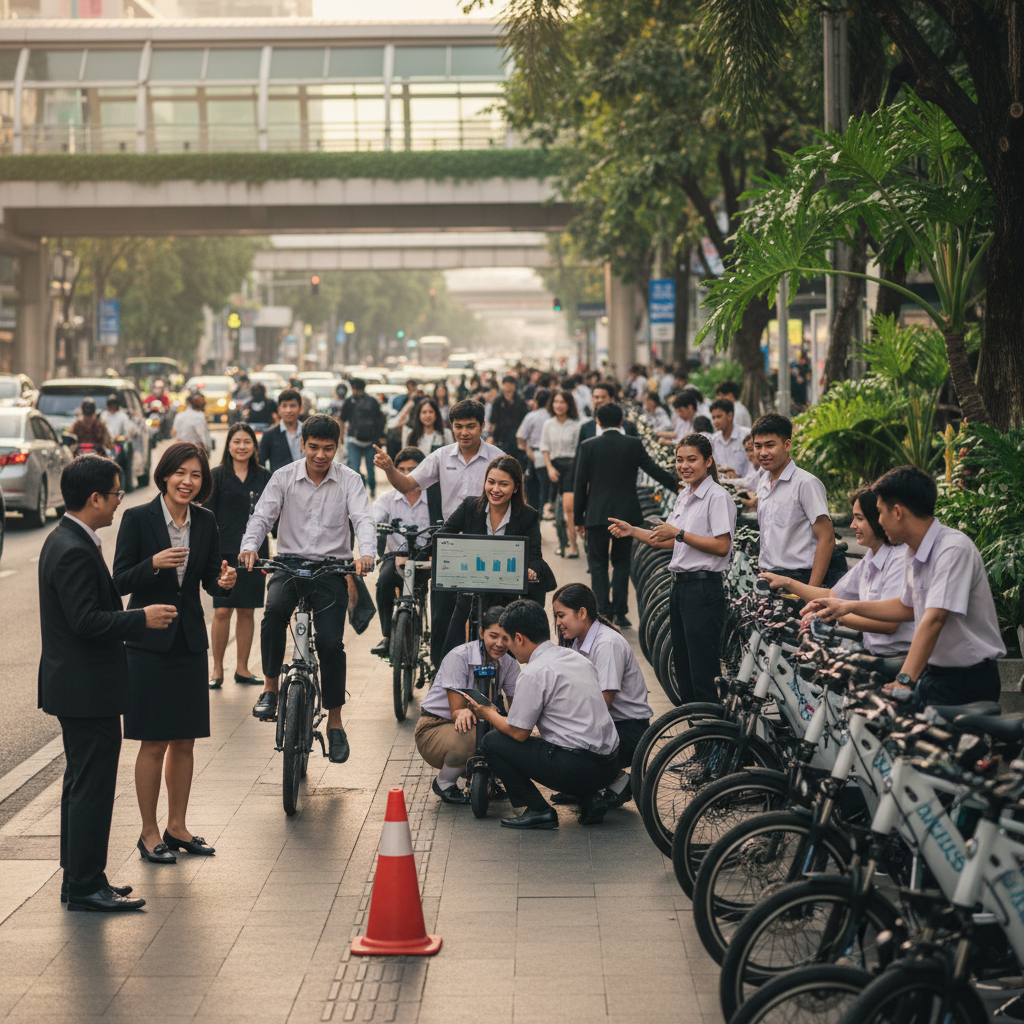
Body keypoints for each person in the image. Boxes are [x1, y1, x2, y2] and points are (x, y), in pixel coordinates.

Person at [38, 456, 174, 911]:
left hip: (79, 687)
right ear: (94, 498)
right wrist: (141, 618)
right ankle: (85, 886)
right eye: (116, 493)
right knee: (91, 787)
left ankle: (80, 879)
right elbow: (84, 621)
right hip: (84, 689)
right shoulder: (74, 548)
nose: (120, 501)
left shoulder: (69, 538)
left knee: (81, 784)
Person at [113, 442, 236, 865]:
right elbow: (120, 580)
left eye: (197, 475)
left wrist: (224, 581)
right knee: (153, 741)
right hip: (147, 644)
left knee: (185, 740)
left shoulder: (205, 521)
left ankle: (177, 826)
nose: (188, 481)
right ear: (164, 475)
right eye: (181, 473)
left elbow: (207, 579)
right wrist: (154, 563)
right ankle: (148, 832)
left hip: (188, 642)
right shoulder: (136, 518)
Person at [803, 465, 1006, 710]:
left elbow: (934, 619)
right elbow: (904, 607)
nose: (878, 521)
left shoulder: (952, 549)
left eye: (879, 512)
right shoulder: (913, 551)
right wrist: (846, 606)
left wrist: (904, 679)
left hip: (966, 679)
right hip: (933, 673)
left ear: (897, 511)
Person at [240, 415, 376, 763]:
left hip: (332, 570)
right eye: (313, 447)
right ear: (302, 445)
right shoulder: (283, 477)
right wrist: (250, 546)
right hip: (288, 564)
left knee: (331, 644)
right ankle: (270, 689)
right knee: (272, 613)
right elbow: (262, 516)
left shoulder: (350, 480)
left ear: (337, 447)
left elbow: (363, 518)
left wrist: (366, 553)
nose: (320, 454)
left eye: (328, 448)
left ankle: (335, 722)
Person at [465, 600, 621, 829]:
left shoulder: (534, 673)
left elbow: (518, 733)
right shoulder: (576, 658)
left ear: (519, 638)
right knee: (563, 743)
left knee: (492, 742)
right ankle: (588, 797)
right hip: (610, 765)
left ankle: (539, 810)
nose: (506, 647)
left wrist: (487, 713)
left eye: (507, 640)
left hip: (577, 769)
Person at [373, 399, 504, 668]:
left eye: (470, 426)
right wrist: (389, 469)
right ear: (451, 427)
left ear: (483, 426)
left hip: (490, 541)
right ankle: (440, 674)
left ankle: (493, 672)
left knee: (490, 611)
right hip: (451, 541)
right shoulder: (441, 456)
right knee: (442, 612)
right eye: (458, 427)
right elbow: (408, 483)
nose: (464, 432)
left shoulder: (498, 458)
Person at [609, 434, 736, 703]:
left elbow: (722, 546)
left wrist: (679, 533)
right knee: (685, 669)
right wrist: (632, 530)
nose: (684, 465)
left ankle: (711, 740)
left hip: (704, 587)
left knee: (703, 672)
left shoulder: (717, 497)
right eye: (679, 460)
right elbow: (664, 539)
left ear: (708, 461)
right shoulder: (684, 496)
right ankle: (697, 732)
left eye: (692, 459)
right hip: (680, 586)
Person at [761, 487, 914, 656]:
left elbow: (889, 625)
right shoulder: (872, 556)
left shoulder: (900, 559)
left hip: (899, 658)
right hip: (874, 652)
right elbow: (833, 594)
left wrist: (836, 613)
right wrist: (786, 582)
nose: (852, 525)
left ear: (879, 519)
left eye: (859, 518)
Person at [573, 403, 679, 627]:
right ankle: (620, 612)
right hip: (626, 514)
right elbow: (653, 469)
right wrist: (678, 485)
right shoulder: (633, 444)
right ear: (622, 421)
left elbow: (580, 484)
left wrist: (578, 519)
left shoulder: (588, 445)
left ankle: (602, 612)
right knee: (622, 562)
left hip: (596, 514)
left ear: (598, 422)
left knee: (598, 564)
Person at [438, 455, 552, 656]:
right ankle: (448, 668)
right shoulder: (470, 506)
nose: (495, 489)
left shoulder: (528, 515)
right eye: (491, 482)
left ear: (516, 488)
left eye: (503, 484)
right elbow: (444, 534)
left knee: (510, 627)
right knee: (456, 616)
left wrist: (531, 570)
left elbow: (535, 554)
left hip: (507, 588)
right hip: (472, 584)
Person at [551, 583, 652, 809]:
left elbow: (602, 704)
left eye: (561, 615)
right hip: (609, 725)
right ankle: (585, 784)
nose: (557, 623)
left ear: (582, 613)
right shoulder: (579, 642)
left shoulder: (607, 644)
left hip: (629, 731)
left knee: (567, 735)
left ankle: (618, 781)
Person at [416, 606, 521, 805]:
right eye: (493, 636)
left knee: (510, 736)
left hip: (477, 724)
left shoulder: (509, 664)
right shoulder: (460, 656)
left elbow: (516, 708)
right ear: (481, 633)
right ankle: (445, 782)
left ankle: (488, 778)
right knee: (476, 735)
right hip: (435, 726)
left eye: (506, 638)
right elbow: (457, 710)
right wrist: (464, 711)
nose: (499, 644)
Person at [204, 423, 273, 688]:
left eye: (247, 442)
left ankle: (242, 669)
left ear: (254, 447)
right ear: (228, 445)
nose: (242, 447)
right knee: (222, 610)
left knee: (247, 611)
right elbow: (207, 517)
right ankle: (217, 670)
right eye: (236, 442)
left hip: (255, 554)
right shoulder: (217, 476)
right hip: (223, 552)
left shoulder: (265, 477)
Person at [751, 413, 837, 587]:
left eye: (770, 445)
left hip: (800, 578)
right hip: (768, 577)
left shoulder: (806, 483)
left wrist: (811, 592)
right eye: (757, 446)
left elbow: (827, 538)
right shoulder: (763, 482)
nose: (763, 453)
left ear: (787, 444)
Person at [371, 446, 431, 658]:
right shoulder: (387, 499)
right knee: (384, 581)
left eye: (413, 469)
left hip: (428, 560)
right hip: (396, 559)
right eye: (402, 469)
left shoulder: (434, 500)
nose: (407, 475)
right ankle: (388, 637)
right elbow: (372, 520)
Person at [540, 389, 582, 559]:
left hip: (571, 467)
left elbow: (579, 450)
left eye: (562, 402)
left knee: (569, 509)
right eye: (556, 401)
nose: (559, 405)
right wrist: (549, 467)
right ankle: (562, 543)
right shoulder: (548, 424)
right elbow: (544, 448)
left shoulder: (576, 425)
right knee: (556, 511)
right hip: (553, 467)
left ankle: (573, 545)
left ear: (569, 404)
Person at [341, 379, 386, 496]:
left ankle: (360, 489)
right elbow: (380, 420)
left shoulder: (350, 401)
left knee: (354, 468)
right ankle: (372, 490)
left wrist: (340, 438)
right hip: (369, 440)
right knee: (370, 468)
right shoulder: (372, 401)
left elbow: (342, 419)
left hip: (354, 440)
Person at [516, 386, 551, 516]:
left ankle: (533, 513)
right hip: (548, 457)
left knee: (532, 488)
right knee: (545, 487)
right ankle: (542, 513)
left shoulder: (531, 416)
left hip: (533, 455)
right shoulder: (552, 417)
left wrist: (527, 449)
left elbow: (520, 436)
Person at [258, 387, 303, 474]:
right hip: (280, 486)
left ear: (300, 408)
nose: (288, 410)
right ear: (279, 409)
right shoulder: (269, 435)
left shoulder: (309, 432)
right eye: (284, 406)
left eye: (293, 406)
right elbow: (260, 464)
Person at [488, 375, 529, 459]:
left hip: (516, 438)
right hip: (501, 437)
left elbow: (525, 421)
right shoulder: (498, 401)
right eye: (505, 385)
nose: (507, 389)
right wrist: (491, 436)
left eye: (510, 387)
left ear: (514, 386)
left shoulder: (520, 401)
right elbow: (493, 421)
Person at [101, 394, 135, 492]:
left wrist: (120, 438)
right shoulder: (104, 415)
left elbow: (126, 431)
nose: (110, 408)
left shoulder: (122, 416)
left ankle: (127, 485)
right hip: (107, 443)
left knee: (124, 464)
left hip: (119, 443)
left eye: (112, 406)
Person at [709, 398, 750, 477]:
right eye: (713, 418)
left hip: (745, 485)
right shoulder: (713, 440)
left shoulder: (746, 436)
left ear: (729, 416)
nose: (715, 421)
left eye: (719, 417)